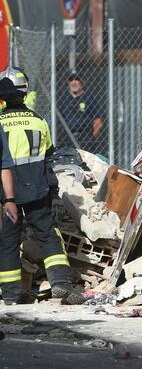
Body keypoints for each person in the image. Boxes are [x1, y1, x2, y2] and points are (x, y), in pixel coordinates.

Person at [0, 67, 85, 305]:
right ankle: (61, 283)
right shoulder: (38, 120)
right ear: (25, 92)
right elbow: (49, 154)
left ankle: (11, 293)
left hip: (7, 191)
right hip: (36, 187)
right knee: (48, 234)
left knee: (9, 240)